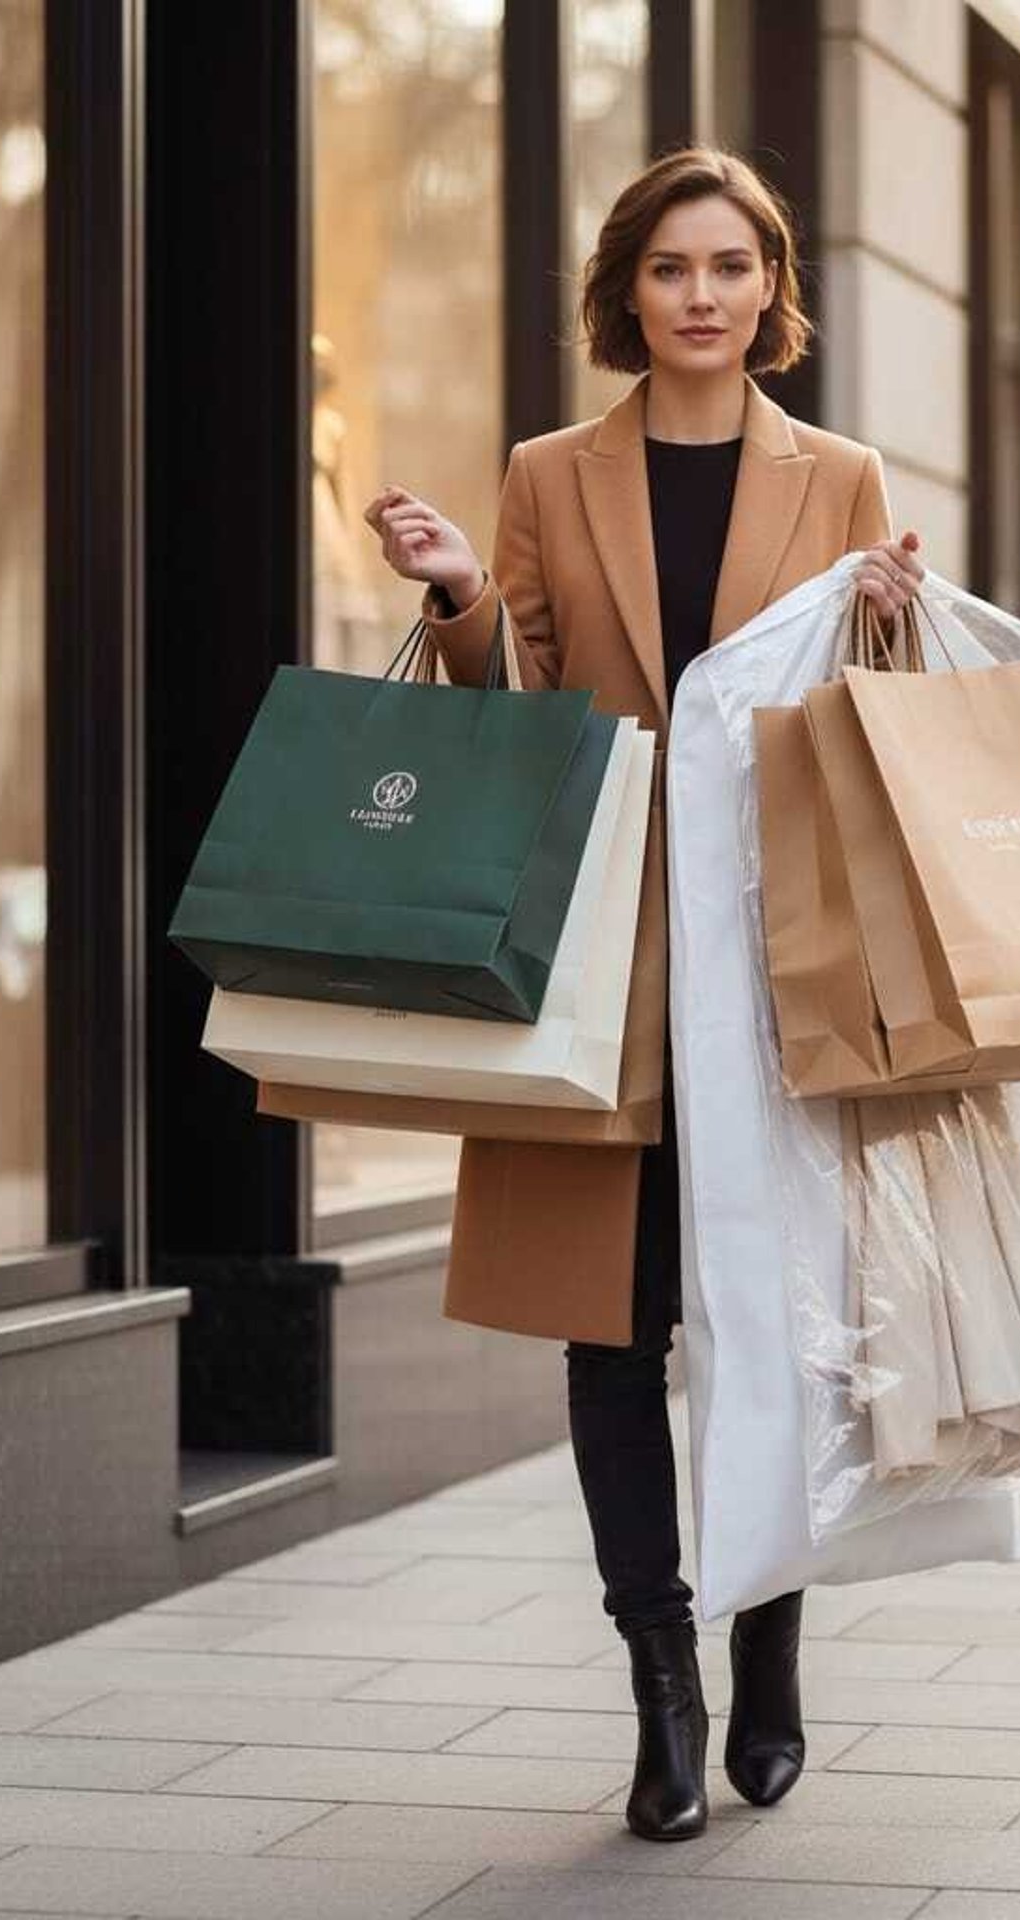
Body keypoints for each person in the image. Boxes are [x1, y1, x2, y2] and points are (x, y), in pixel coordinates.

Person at [363, 147, 924, 1842]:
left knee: (773, 1325)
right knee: (616, 1337)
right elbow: (517, 696)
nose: (702, 294)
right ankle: (660, 1689)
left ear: (770, 290)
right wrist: (463, 589)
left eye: (731, 267)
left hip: (774, 961)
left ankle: (771, 1646)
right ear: (631, 290)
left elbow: (874, 712)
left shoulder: (837, 475)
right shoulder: (550, 470)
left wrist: (889, 625)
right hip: (607, 963)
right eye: (672, 267)